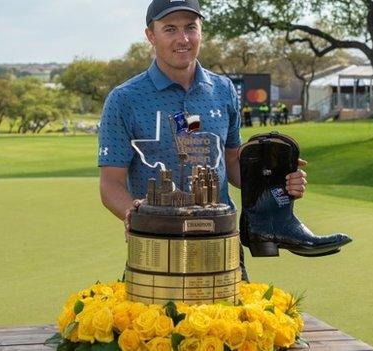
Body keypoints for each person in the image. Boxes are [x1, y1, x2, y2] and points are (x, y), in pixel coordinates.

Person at [97, 0, 308, 280]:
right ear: (151, 35)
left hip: (222, 245)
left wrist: (276, 179)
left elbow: (232, 163)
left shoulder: (223, 90)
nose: (182, 39)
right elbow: (110, 183)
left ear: (201, 31)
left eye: (190, 28)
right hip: (156, 249)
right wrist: (132, 213)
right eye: (170, 29)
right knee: (154, 326)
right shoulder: (124, 99)